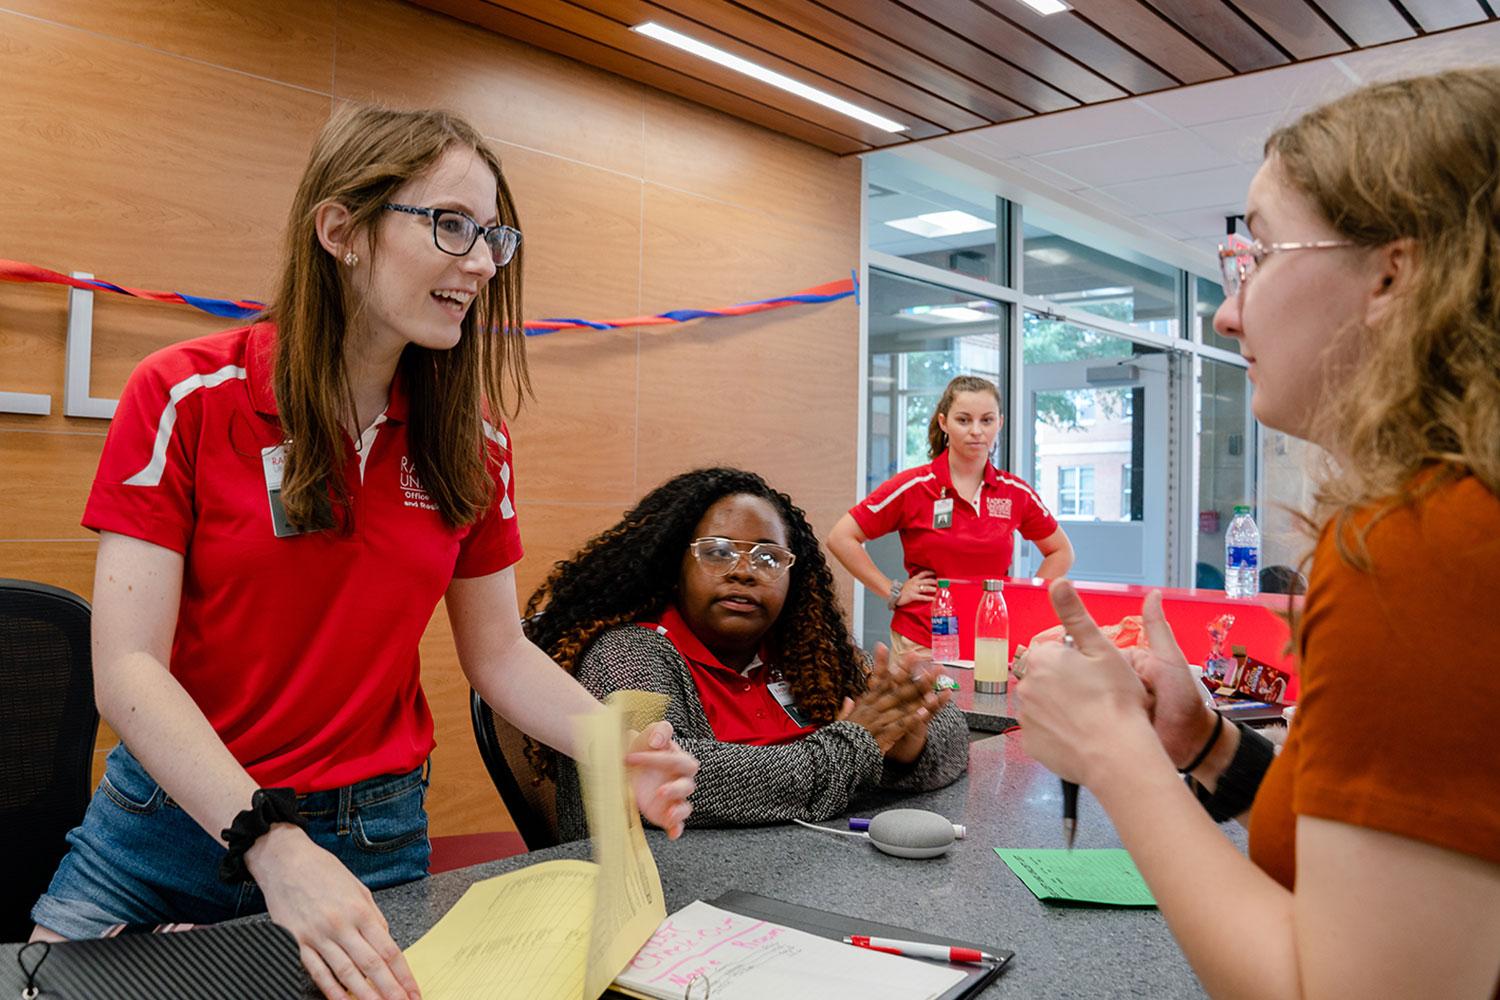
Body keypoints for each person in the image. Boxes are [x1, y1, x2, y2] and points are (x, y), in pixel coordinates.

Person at [29, 105, 697, 1000]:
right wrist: (269, 841)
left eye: (493, 235)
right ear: (339, 229)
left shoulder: (475, 443)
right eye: (450, 225)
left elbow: (497, 652)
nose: (482, 263)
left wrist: (606, 746)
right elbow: (128, 667)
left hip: (371, 835)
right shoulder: (185, 395)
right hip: (165, 830)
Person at [1015, 68, 1500, 999]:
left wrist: (1110, 748)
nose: (1226, 309)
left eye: (1260, 256)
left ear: (1393, 274)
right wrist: (1202, 743)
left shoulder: (1429, 545)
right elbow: (1406, 868)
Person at [522, 468, 969, 837]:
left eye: (768, 558)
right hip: (673, 901)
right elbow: (677, 780)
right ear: (674, 567)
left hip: (806, 881)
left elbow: (952, 729)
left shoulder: (808, 654)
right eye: (716, 552)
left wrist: (907, 746)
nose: (743, 571)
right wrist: (854, 749)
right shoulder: (629, 653)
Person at [827, 375, 1074, 656]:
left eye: (987, 420)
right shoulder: (914, 486)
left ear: (1000, 424)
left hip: (990, 639)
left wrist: (1021, 603)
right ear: (944, 422)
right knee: (928, 703)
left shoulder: (1015, 493)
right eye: (964, 420)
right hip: (922, 640)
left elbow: (1061, 552)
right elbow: (841, 537)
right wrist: (892, 590)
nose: (976, 431)